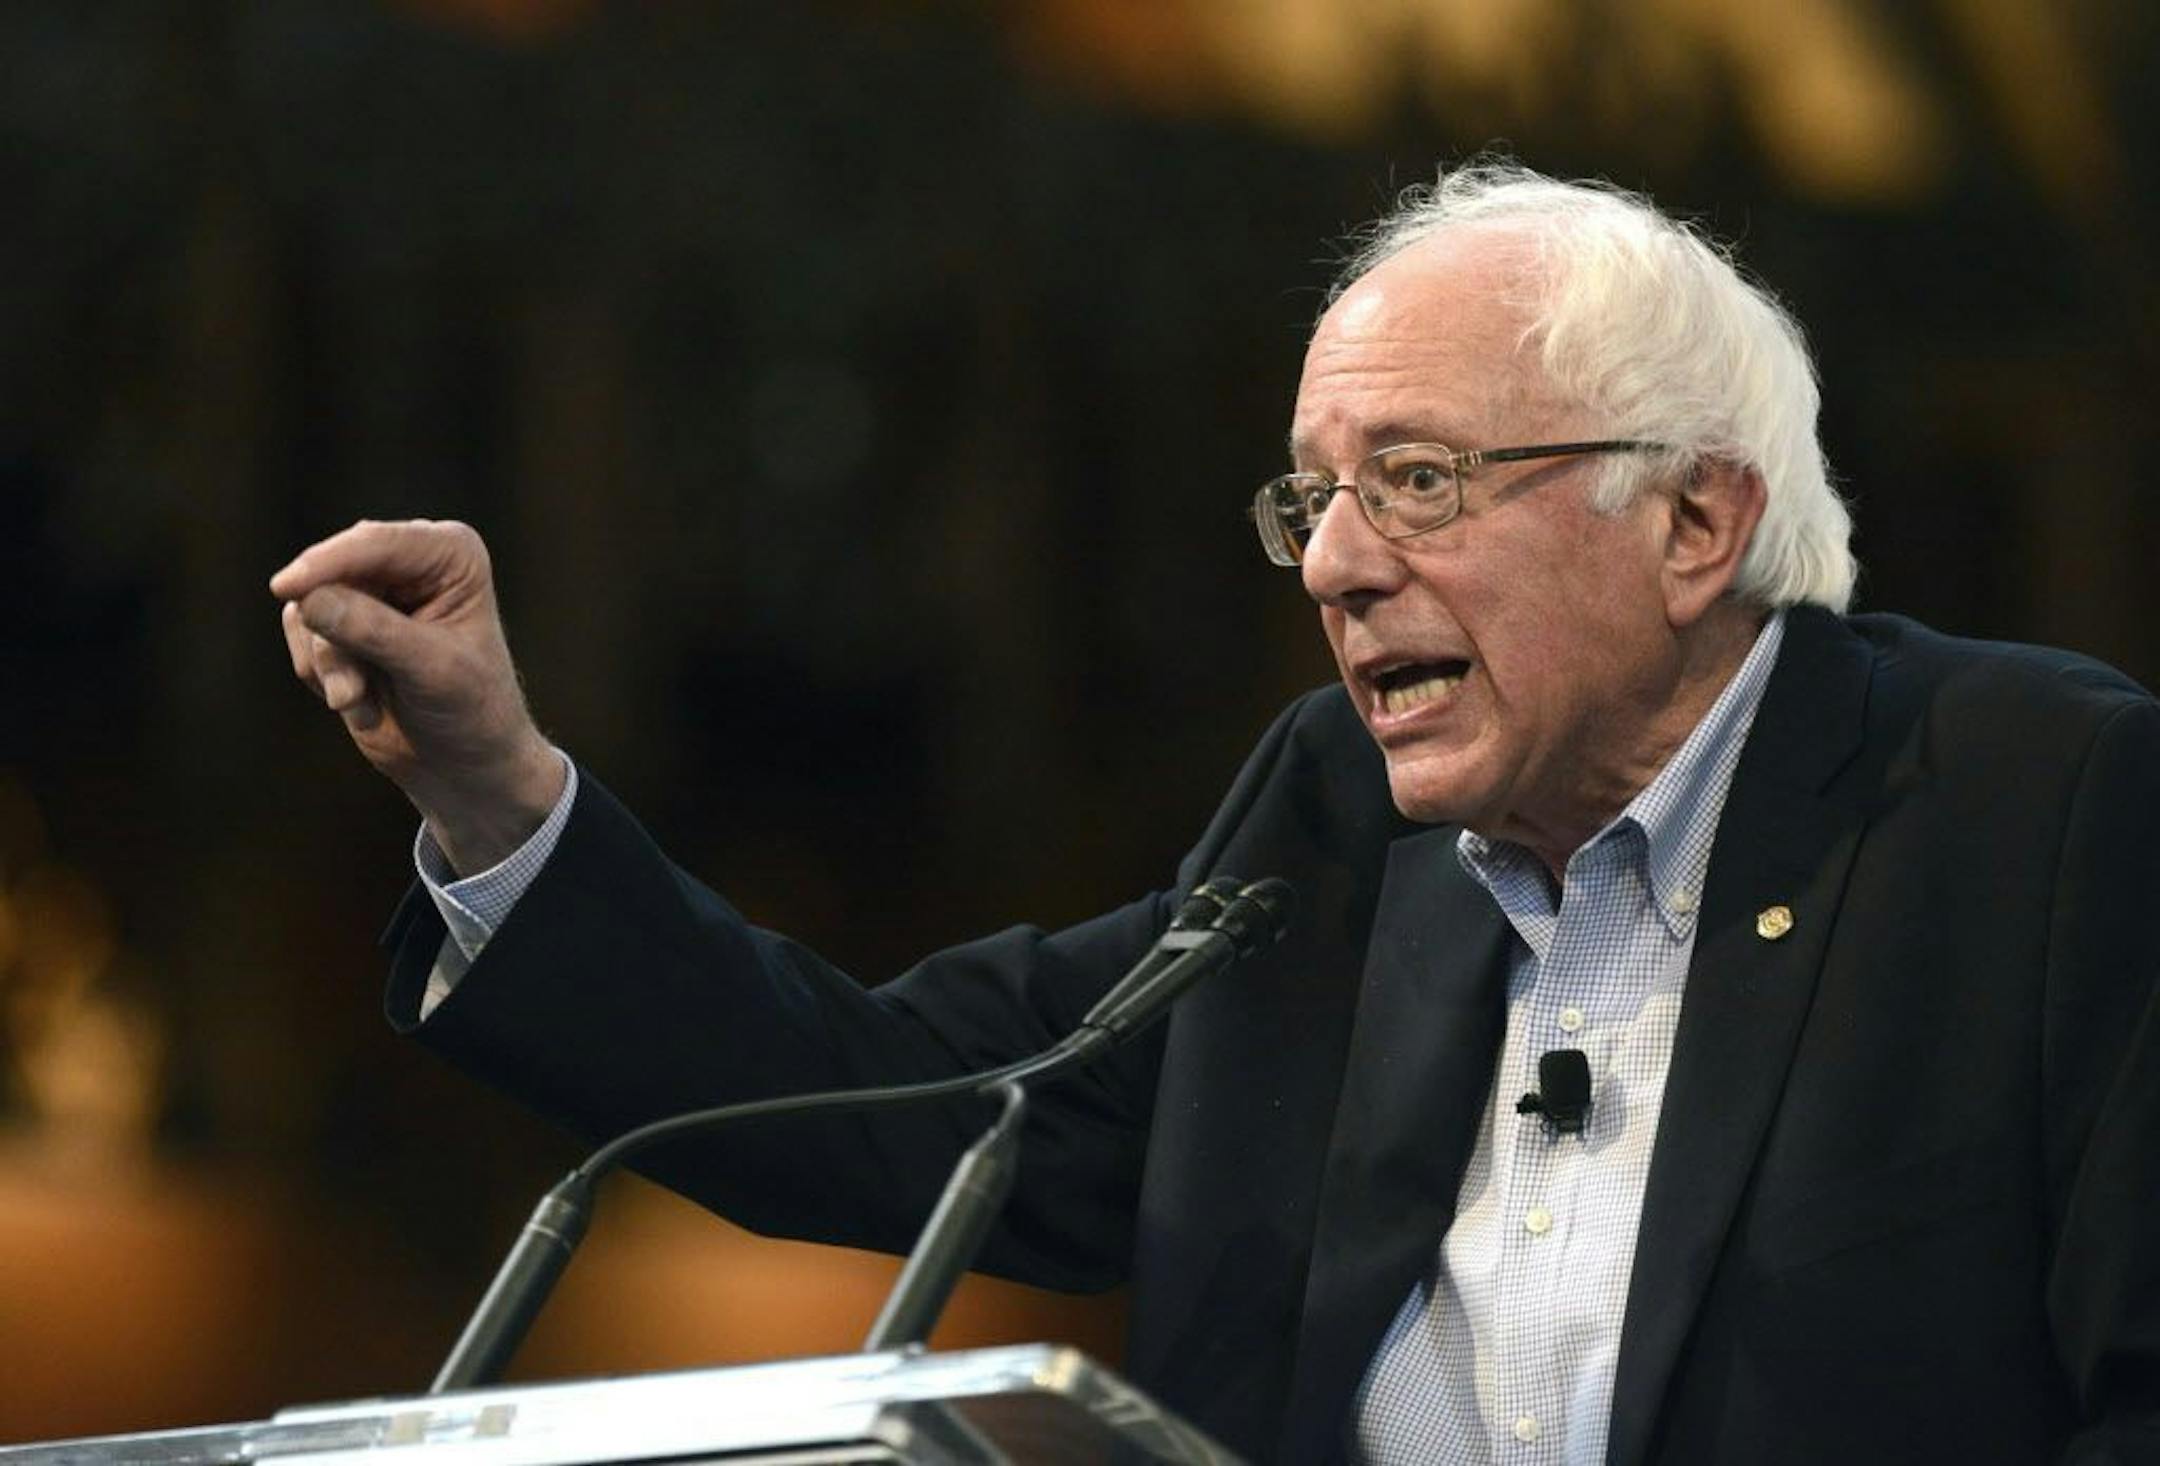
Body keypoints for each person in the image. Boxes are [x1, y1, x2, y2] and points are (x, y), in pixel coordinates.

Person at [270, 164, 2160, 1465]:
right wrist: (494, 785)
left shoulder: (2035, 809)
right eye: (1313, 499)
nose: (1334, 563)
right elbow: (880, 1106)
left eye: (1417, 480)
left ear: (1693, 522)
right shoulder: (1333, 835)